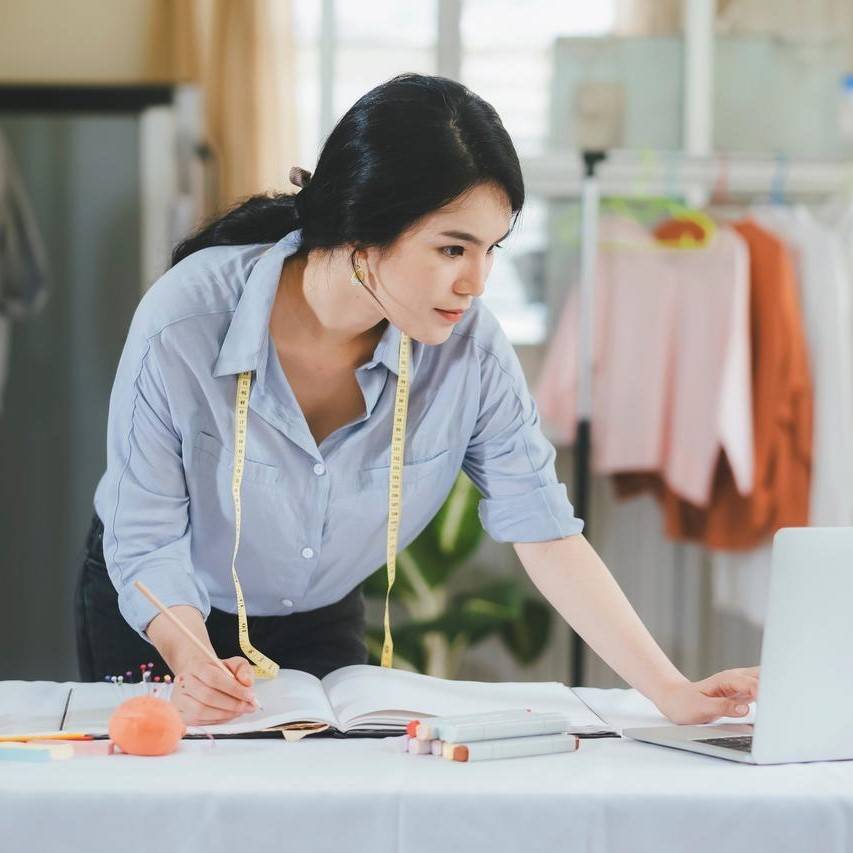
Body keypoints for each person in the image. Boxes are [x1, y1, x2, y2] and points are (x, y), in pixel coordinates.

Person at [74, 73, 759, 727]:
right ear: (362, 227)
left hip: (316, 611)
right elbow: (147, 536)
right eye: (452, 248)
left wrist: (670, 690)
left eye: (491, 248)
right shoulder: (184, 322)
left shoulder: (469, 351)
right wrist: (193, 661)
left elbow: (544, 529)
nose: (476, 282)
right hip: (160, 608)